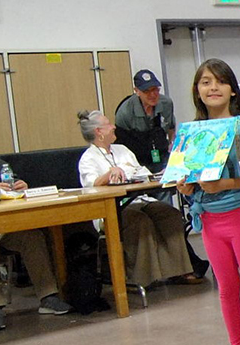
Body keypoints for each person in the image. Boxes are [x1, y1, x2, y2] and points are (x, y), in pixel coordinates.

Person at [174, 59, 240, 345]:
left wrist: (225, 184)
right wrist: (186, 187)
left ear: (232, 90)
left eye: (220, 81)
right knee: (226, 289)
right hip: (208, 218)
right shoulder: (191, 132)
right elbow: (188, 178)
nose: (213, 87)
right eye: (206, 82)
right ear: (197, 90)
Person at [77, 110, 201, 287]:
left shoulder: (122, 150)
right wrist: (108, 174)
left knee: (169, 214)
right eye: (109, 124)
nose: (114, 127)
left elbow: (142, 173)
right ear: (99, 131)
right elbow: (92, 186)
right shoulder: (88, 159)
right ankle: (144, 277)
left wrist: (162, 174)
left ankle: (177, 270)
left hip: (138, 200)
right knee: (139, 221)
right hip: (111, 210)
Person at [0, 118, 73, 332]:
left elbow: (12, 183)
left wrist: (20, 187)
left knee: (32, 235)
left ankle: (48, 295)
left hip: (4, 225)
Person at [114, 69, 176, 171]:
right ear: (137, 91)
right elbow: (121, 145)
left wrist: (172, 145)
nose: (152, 95)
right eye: (146, 91)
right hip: (136, 157)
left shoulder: (166, 103)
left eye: (155, 89)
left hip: (160, 152)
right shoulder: (125, 112)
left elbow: (171, 128)